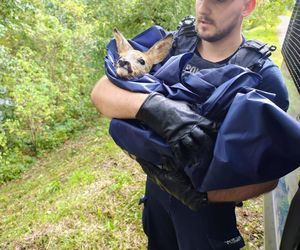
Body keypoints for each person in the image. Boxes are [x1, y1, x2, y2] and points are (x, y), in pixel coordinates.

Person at [91, 0, 289, 249]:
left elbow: (269, 176)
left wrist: (200, 196)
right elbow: (101, 92)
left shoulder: (261, 76)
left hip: (207, 215)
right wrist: (156, 109)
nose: (204, 8)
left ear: (247, 6)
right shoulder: (173, 43)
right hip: (156, 193)